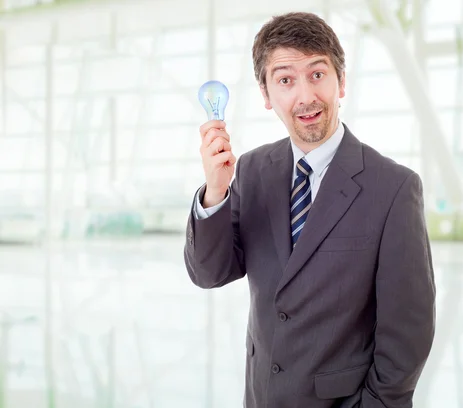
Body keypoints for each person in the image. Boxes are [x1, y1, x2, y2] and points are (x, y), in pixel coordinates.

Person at [184, 11, 436, 408]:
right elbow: (210, 274)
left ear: (341, 82)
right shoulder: (251, 171)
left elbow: (408, 333)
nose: (305, 97)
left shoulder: (394, 188)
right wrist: (216, 193)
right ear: (267, 95)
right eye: (285, 80)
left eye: (317, 75)